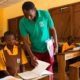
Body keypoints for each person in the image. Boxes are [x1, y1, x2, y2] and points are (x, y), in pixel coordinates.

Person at [19, 1, 58, 80]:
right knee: (38, 72)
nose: (28, 18)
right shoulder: (22, 22)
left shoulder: (45, 14)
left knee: (49, 71)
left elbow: (53, 29)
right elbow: (26, 42)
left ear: (35, 10)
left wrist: (56, 45)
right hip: (35, 51)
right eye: (25, 15)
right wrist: (31, 56)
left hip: (48, 48)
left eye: (30, 15)